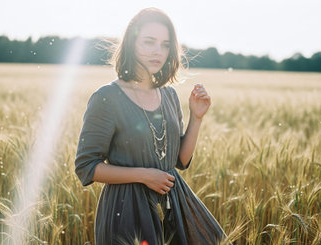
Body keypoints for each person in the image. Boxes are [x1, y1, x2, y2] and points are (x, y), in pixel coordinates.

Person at [74, 7, 226, 245]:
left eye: (165, 45)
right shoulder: (107, 98)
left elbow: (181, 161)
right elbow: (86, 167)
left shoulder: (170, 96)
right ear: (131, 44)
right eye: (149, 42)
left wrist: (197, 117)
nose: (158, 52)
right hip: (125, 213)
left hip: (173, 207)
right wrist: (144, 176)